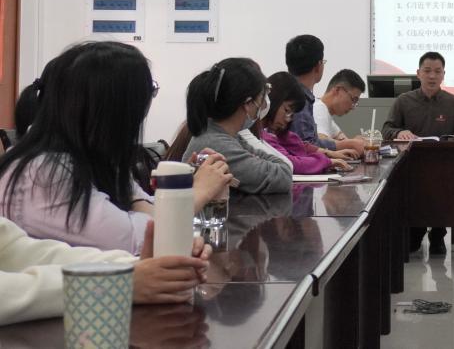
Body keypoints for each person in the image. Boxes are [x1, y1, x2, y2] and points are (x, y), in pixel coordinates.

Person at [0, 42, 232, 255]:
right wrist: (198, 192)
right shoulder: (43, 174)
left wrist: (170, 198)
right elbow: (138, 239)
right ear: (115, 109)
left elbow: (150, 213)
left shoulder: (93, 158)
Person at [1, 217, 211, 326]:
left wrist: (140, 267)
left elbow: (23, 251)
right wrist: (118, 283)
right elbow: (127, 234)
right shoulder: (49, 170)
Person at [383, 52, 454, 255]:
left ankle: (438, 234)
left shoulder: (453, 102)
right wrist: (399, 132)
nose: (432, 76)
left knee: (444, 187)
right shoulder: (403, 101)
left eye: (437, 71)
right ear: (418, 73)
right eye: (427, 71)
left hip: (444, 164)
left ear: (443, 75)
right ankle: (417, 231)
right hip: (411, 165)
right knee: (413, 193)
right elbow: (387, 129)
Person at [184, 58, 293, 194]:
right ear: (248, 103)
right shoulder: (217, 144)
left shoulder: (226, 136)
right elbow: (282, 176)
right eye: (261, 97)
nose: (263, 104)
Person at [259, 72, 352, 174]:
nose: (288, 119)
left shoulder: (275, 132)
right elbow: (291, 163)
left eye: (292, 114)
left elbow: (299, 145)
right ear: (272, 100)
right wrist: (327, 161)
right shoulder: (260, 134)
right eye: (287, 110)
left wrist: (328, 154)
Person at [285, 35, 338, 151]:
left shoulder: (286, 92)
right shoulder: (300, 100)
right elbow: (306, 146)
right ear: (318, 66)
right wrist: (343, 146)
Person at [313, 69, 368, 155]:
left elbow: (342, 139)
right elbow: (320, 141)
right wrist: (351, 143)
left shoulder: (327, 114)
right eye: (353, 99)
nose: (353, 107)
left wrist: (355, 142)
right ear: (337, 90)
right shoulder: (318, 109)